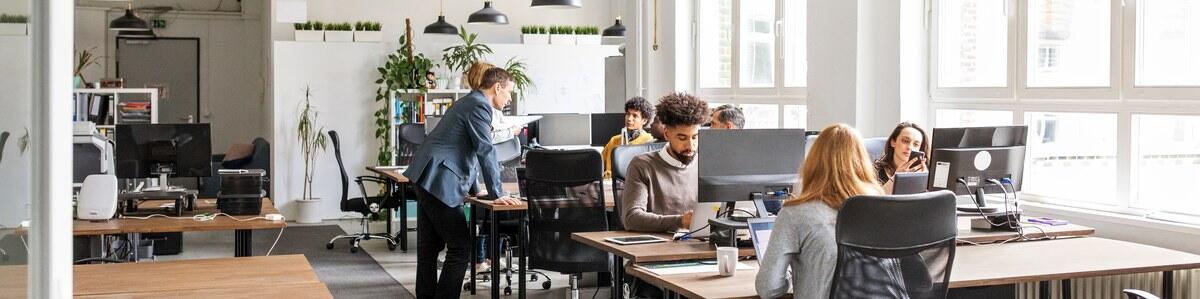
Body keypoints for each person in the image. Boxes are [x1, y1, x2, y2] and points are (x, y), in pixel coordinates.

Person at [403, 67, 521, 299]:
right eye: (508, 92)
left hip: (427, 176)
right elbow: (484, 150)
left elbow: (463, 148)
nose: (509, 99)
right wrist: (496, 193)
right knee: (460, 247)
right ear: (497, 87)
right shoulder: (480, 106)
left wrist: (478, 190)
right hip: (438, 178)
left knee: (429, 247)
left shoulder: (470, 102)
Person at [756, 123, 885, 299]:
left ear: (813, 161)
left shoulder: (796, 213)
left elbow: (768, 288)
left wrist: (797, 274)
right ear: (862, 161)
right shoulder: (882, 207)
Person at [621, 92, 710, 232]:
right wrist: (680, 221)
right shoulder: (642, 166)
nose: (690, 146)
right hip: (658, 248)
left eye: (695, 137)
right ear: (667, 134)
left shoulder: (705, 163)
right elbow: (631, 218)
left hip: (700, 243)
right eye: (682, 138)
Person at [600, 97, 657, 178]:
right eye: (628, 114)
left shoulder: (648, 142)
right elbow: (598, 164)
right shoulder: (614, 140)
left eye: (635, 116)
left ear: (644, 120)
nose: (629, 119)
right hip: (608, 183)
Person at [874, 122, 930, 194]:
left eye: (916, 144)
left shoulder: (925, 171)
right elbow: (872, 202)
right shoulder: (874, 171)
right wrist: (895, 179)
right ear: (893, 142)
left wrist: (923, 181)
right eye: (905, 141)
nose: (910, 147)